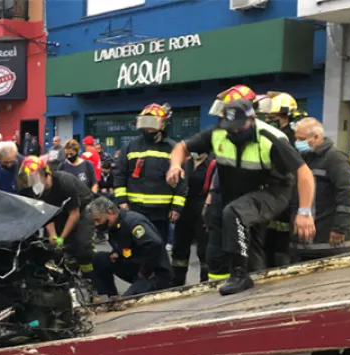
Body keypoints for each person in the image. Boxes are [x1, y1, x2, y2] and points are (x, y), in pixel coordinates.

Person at [167, 85, 316, 295]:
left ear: (251, 120)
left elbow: (304, 173)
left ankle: (239, 275)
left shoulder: (270, 138)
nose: (234, 131)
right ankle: (254, 283)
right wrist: (175, 165)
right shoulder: (219, 133)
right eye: (230, 127)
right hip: (238, 195)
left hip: (273, 191)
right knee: (243, 239)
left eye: (238, 127)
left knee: (234, 213)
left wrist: (304, 212)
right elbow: (181, 147)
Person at [114, 103, 187, 244]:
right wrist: (122, 202)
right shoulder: (130, 147)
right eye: (145, 123)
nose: (148, 127)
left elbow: (182, 182)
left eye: (152, 123)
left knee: (157, 247)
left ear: (163, 124)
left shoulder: (173, 149)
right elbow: (119, 175)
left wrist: (177, 208)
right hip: (134, 210)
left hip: (161, 213)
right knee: (133, 247)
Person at [290, 117, 350, 261]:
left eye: (301, 139)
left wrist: (340, 228)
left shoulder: (335, 158)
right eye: (296, 138)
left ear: (316, 137)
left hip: (329, 242)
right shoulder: (302, 159)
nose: (298, 143)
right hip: (303, 243)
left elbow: (348, 192)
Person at [17, 156, 95, 277]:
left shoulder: (63, 182)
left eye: (33, 179)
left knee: (82, 245)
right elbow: (47, 214)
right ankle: (66, 279)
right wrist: (54, 237)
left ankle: (91, 280)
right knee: (53, 248)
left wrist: (62, 238)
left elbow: (74, 213)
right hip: (59, 211)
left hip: (82, 208)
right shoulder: (35, 191)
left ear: (45, 174)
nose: (31, 184)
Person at [87, 196, 173, 297]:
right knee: (99, 258)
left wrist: (144, 271)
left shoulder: (132, 222)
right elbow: (123, 242)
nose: (97, 224)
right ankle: (110, 295)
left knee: (126, 302)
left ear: (109, 212)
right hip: (134, 265)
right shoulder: (113, 224)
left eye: (98, 220)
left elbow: (154, 244)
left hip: (154, 273)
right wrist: (116, 252)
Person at [255, 91, 304, 267]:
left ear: (286, 117)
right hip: (271, 193)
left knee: (283, 241)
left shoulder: (290, 138)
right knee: (268, 238)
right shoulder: (272, 135)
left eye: (273, 117)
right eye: (268, 117)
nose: (269, 121)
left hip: (287, 193)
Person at [169, 152, 215, 285]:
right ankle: (177, 281)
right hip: (184, 209)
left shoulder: (212, 164)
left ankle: (205, 281)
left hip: (203, 209)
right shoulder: (185, 163)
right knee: (179, 248)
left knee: (204, 248)